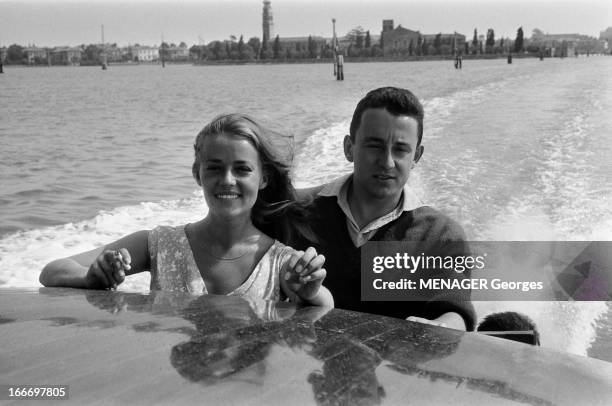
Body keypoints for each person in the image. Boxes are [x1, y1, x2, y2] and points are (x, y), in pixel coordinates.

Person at [40, 113, 333, 308]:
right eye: (215, 168)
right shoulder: (158, 244)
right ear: (198, 174)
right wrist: (90, 279)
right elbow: (52, 271)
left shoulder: (281, 262)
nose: (227, 180)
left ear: (264, 178)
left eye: (242, 169)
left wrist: (308, 292)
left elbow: (326, 305)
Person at [292, 87, 475, 330]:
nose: (387, 162)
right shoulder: (295, 213)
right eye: (375, 146)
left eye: (400, 150)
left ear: (417, 157)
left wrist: (438, 328)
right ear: (349, 148)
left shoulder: (441, 236)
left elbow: (455, 313)